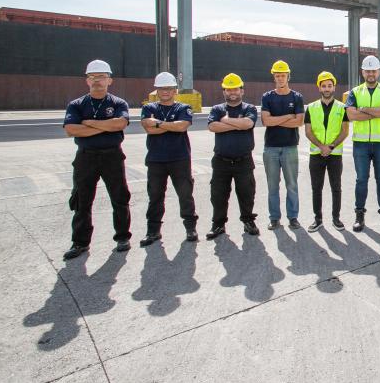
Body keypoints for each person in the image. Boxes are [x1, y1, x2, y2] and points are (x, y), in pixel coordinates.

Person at [61, 60, 132, 259]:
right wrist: (104, 126)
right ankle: (80, 243)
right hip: (86, 158)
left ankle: (122, 237)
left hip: (112, 156)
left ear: (110, 80)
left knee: (119, 198)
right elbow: (71, 130)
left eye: (101, 77)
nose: (97, 81)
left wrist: (90, 123)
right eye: (93, 77)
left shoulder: (118, 103)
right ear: (87, 81)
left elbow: (119, 124)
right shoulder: (76, 105)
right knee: (82, 200)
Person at [139, 72, 198, 246]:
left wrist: (157, 123)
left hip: (179, 159)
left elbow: (182, 127)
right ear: (156, 90)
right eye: (161, 88)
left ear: (175, 90)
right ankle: (153, 231)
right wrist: (170, 126)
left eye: (169, 88)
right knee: (155, 196)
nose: (165, 91)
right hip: (156, 160)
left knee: (185, 195)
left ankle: (190, 228)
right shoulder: (149, 108)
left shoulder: (183, 107)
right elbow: (149, 129)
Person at [345, 55, 380, 232]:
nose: (371, 74)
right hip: (360, 143)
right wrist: (377, 111)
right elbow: (351, 115)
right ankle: (359, 215)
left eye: (373, 70)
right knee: (361, 180)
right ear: (363, 72)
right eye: (367, 71)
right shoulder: (355, 92)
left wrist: (364, 110)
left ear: (379, 71)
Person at [206, 73, 260, 239]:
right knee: (218, 195)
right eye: (229, 89)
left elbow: (248, 123)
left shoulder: (249, 109)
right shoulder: (217, 109)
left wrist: (226, 121)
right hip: (221, 161)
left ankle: (248, 221)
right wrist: (238, 124)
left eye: (235, 88)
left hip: (243, 160)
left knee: (247, 193)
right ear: (224, 92)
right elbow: (213, 127)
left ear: (242, 90)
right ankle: (218, 224)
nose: (232, 92)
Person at [260, 60, 305, 230]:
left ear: (288, 76)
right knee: (273, 185)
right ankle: (274, 218)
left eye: (283, 75)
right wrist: (288, 116)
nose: (280, 78)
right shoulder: (267, 97)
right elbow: (266, 121)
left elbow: (299, 122)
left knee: (291, 185)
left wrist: (276, 120)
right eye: (277, 75)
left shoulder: (297, 97)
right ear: (274, 77)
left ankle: (293, 217)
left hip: (290, 147)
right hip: (270, 148)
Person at [304, 71, 350, 232]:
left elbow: (344, 131)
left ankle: (336, 218)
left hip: (334, 155)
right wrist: (321, 147)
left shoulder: (342, 108)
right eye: (324, 86)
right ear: (319, 88)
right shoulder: (311, 108)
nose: (327, 88)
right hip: (316, 154)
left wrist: (330, 147)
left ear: (334, 87)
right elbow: (308, 132)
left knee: (336, 187)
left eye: (329, 86)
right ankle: (318, 219)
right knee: (316, 188)